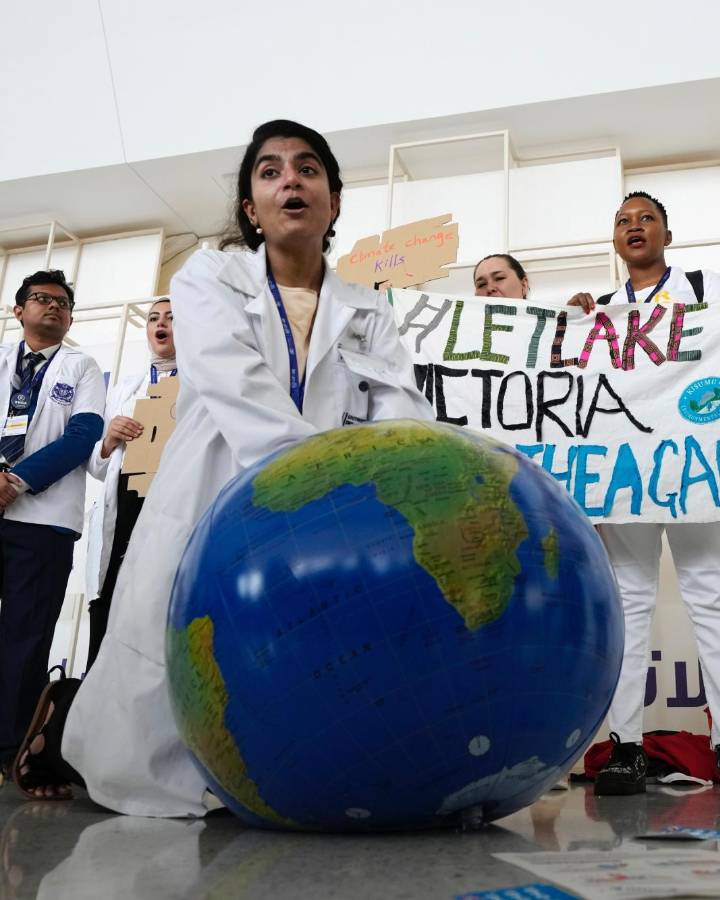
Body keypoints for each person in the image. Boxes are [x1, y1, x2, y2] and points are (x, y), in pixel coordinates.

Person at [11, 119, 432, 809]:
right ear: (249, 207)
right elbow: (236, 384)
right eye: (269, 172)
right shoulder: (208, 275)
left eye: (307, 169)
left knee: (299, 648)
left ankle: (266, 776)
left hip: (330, 503)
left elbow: (399, 406)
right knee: (165, 648)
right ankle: (72, 737)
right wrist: (324, 487)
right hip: (218, 482)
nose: (289, 180)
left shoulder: (368, 308)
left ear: (332, 201)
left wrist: (408, 485)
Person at [568, 191, 720, 798]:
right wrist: (573, 322)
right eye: (623, 221)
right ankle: (626, 746)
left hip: (694, 469)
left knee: (714, 600)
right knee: (627, 608)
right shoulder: (601, 311)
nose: (634, 228)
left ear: (667, 232)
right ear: (614, 239)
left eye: (646, 219)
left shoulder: (707, 290)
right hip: (626, 475)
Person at [0, 270, 105, 784]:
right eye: (41, 299)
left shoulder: (81, 365)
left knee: (26, 634)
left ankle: (9, 747)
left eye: (63, 303)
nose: (54, 308)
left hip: (42, 520)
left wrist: (14, 481)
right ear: (18, 310)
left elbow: (82, 436)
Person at [83, 298, 177, 669]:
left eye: (171, 317)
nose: (161, 323)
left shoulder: (201, 385)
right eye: (154, 318)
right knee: (109, 602)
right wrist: (109, 439)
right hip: (124, 504)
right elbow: (97, 466)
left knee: (157, 603)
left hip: (169, 500)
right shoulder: (125, 388)